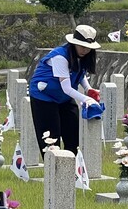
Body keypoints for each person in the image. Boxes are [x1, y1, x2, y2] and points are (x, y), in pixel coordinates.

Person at [28, 24, 102, 155]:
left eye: (89, 48)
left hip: (64, 97)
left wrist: (88, 88)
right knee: (51, 136)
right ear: (74, 44)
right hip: (45, 97)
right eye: (82, 46)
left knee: (73, 133)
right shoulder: (60, 57)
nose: (85, 50)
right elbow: (67, 87)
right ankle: (54, 171)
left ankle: (73, 169)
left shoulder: (82, 57)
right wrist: (87, 99)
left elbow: (79, 73)